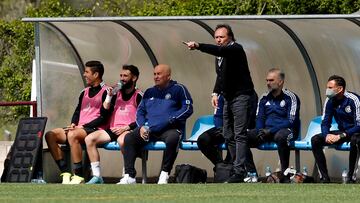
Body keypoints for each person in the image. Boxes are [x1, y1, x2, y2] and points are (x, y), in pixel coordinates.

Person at [184, 24, 258, 183]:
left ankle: (240, 171)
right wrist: (215, 92)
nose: (218, 40)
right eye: (216, 37)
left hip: (242, 96)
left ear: (230, 37)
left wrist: (199, 46)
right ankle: (236, 167)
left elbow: (220, 50)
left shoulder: (235, 49)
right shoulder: (220, 55)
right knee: (227, 134)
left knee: (239, 134)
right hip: (228, 97)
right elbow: (220, 76)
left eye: (221, 37)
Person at [119, 64, 193, 184]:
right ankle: (129, 176)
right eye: (154, 74)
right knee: (129, 138)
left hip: (170, 129)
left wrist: (171, 120)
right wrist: (142, 126)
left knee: (173, 138)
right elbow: (140, 112)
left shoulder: (179, 89)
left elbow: (188, 108)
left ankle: (164, 174)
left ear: (168, 76)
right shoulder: (149, 92)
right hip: (150, 129)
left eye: (159, 74)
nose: (156, 77)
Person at [45, 61, 111, 184]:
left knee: (72, 134)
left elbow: (104, 117)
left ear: (96, 74)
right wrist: (73, 123)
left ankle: (78, 175)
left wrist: (83, 126)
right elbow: (77, 111)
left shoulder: (108, 92)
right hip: (79, 128)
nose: (84, 74)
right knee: (50, 135)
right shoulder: (84, 92)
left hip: (95, 129)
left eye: (87, 72)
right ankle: (65, 172)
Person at [84, 65, 142, 184]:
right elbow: (104, 113)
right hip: (113, 129)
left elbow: (143, 118)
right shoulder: (116, 94)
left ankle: (127, 175)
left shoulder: (139, 95)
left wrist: (127, 127)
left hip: (128, 129)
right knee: (90, 139)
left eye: (125, 76)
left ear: (134, 78)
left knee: (123, 141)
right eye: (121, 75)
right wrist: (109, 97)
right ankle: (97, 176)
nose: (122, 78)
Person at [246, 68, 300, 183]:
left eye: (271, 80)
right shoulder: (264, 97)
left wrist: (271, 130)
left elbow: (291, 120)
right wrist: (260, 130)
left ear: (280, 82)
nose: (268, 83)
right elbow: (259, 117)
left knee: (281, 136)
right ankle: (253, 174)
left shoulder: (291, 97)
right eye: (267, 80)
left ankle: (285, 174)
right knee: (242, 137)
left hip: (286, 130)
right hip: (267, 131)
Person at [311, 75, 360, 183]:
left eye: (330, 87)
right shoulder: (329, 101)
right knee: (315, 140)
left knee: (356, 140)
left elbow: (359, 125)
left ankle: (351, 178)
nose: (327, 90)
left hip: (356, 132)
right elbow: (325, 122)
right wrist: (326, 134)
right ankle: (324, 178)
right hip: (343, 132)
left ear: (340, 89)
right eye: (327, 87)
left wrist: (340, 136)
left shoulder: (353, 99)